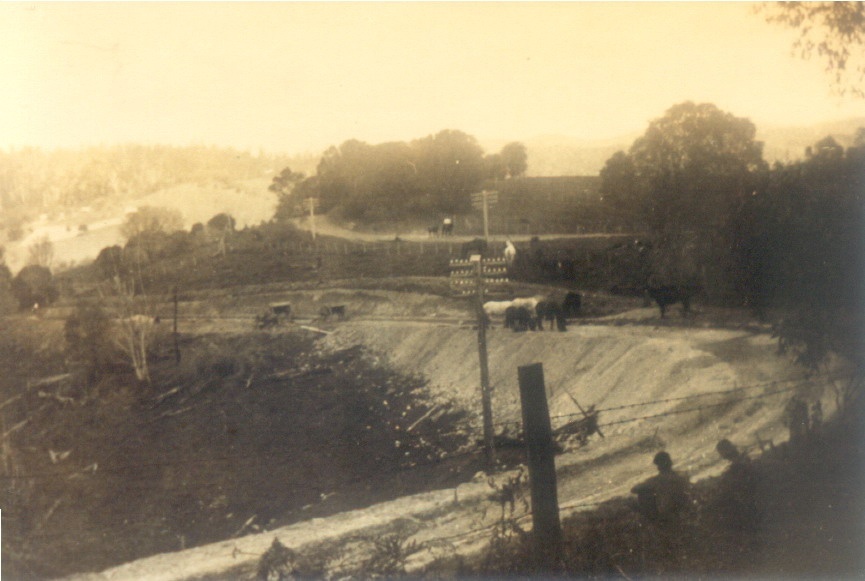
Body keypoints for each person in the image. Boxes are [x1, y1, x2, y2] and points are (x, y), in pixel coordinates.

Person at [711, 439, 760, 533]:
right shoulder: (743, 459)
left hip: (749, 497)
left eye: (722, 453)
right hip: (753, 492)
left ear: (724, 455)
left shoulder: (735, 467)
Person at [631, 451, 691, 524]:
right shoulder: (683, 475)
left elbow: (634, 490)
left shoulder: (656, 480)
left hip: (666, 515)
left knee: (642, 494)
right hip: (685, 509)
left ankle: (651, 523)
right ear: (670, 463)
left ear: (659, 466)